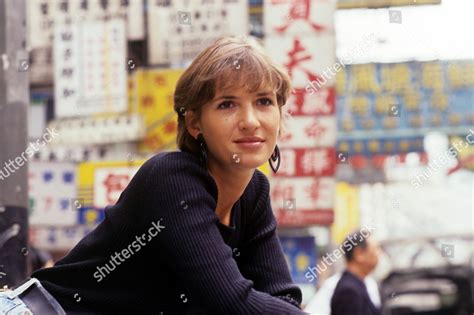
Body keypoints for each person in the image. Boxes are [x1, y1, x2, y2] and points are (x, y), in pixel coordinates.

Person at [1, 36, 307, 314]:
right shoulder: (172, 179)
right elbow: (231, 302)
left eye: (264, 101)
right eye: (227, 104)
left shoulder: (254, 192)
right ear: (194, 123)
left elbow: (284, 298)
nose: (250, 121)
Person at [330, 231, 381, 315]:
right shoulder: (348, 292)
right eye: (376, 249)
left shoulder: (358, 284)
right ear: (359, 254)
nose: (379, 254)